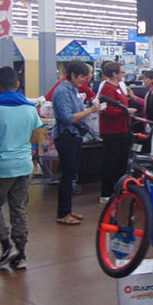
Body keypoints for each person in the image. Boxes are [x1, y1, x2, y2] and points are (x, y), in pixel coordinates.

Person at [0, 67, 43, 270]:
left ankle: (5, 244)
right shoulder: (30, 108)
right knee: (19, 209)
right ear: (17, 84)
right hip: (24, 165)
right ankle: (21, 253)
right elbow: (35, 138)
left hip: (0, 166)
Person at [52, 61, 101, 225]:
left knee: (71, 174)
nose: (84, 81)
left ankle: (67, 210)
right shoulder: (62, 91)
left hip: (73, 136)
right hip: (66, 137)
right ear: (72, 75)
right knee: (67, 176)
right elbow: (67, 117)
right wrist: (90, 111)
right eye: (81, 77)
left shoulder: (72, 90)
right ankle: (62, 214)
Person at [98, 61, 136, 203]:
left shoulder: (119, 87)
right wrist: (125, 111)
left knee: (120, 161)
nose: (124, 74)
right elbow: (106, 109)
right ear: (114, 73)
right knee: (110, 162)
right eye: (122, 72)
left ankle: (118, 189)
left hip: (122, 129)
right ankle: (106, 193)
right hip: (112, 131)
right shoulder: (108, 89)